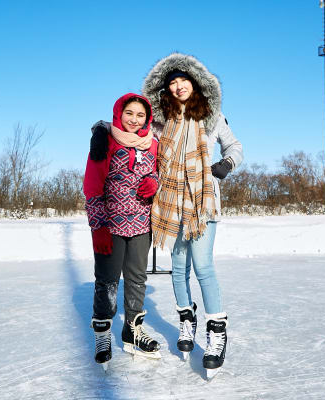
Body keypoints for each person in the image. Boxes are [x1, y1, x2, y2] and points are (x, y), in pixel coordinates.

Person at [91, 53, 243, 377]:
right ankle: (186, 322)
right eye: (172, 83)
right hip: (171, 203)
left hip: (203, 204)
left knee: (202, 266)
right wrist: (100, 129)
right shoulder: (162, 122)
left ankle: (216, 332)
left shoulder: (214, 117)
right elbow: (133, 130)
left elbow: (235, 148)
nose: (178, 87)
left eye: (183, 80)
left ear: (195, 82)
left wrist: (224, 166)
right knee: (177, 268)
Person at [83, 93, 161, 370]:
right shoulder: (106, 139)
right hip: (110, 223)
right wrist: (99, 227)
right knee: (107, 280)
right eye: (129, 113)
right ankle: (103, 333)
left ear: (147, 118)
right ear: (119, 113)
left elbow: (158, 173)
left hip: (141, 222)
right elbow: (92, 186)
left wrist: (154, 182)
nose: (134, 119)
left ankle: (132, 330)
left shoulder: (153, 143)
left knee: (137, 279)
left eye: (140, 115)